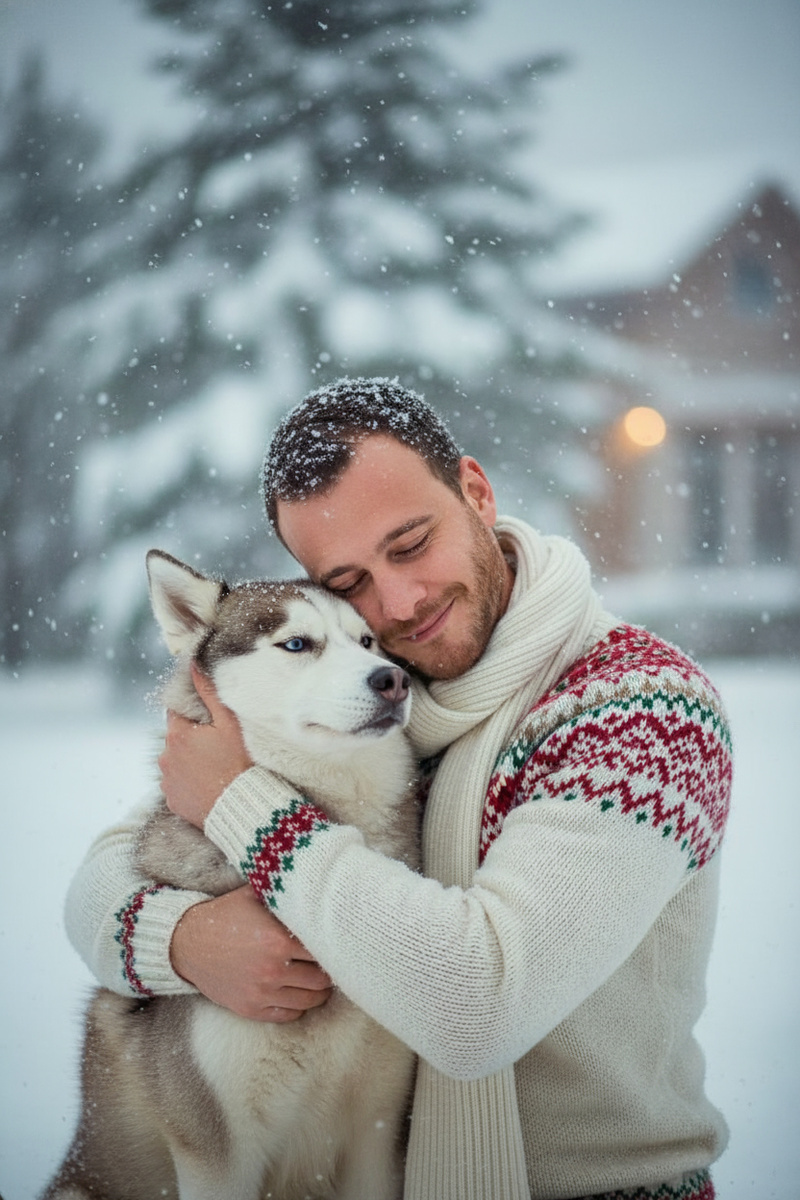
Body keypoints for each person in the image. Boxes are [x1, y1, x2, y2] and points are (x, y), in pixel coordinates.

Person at [66, 377, 732, 1200]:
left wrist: (240, 805)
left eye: (412, 543)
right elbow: (103, 879)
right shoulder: (375, 706)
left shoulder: (641, 709)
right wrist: (184, 939)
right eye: (348, 583)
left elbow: (477, 1006)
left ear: (477, 494)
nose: (399, 603)